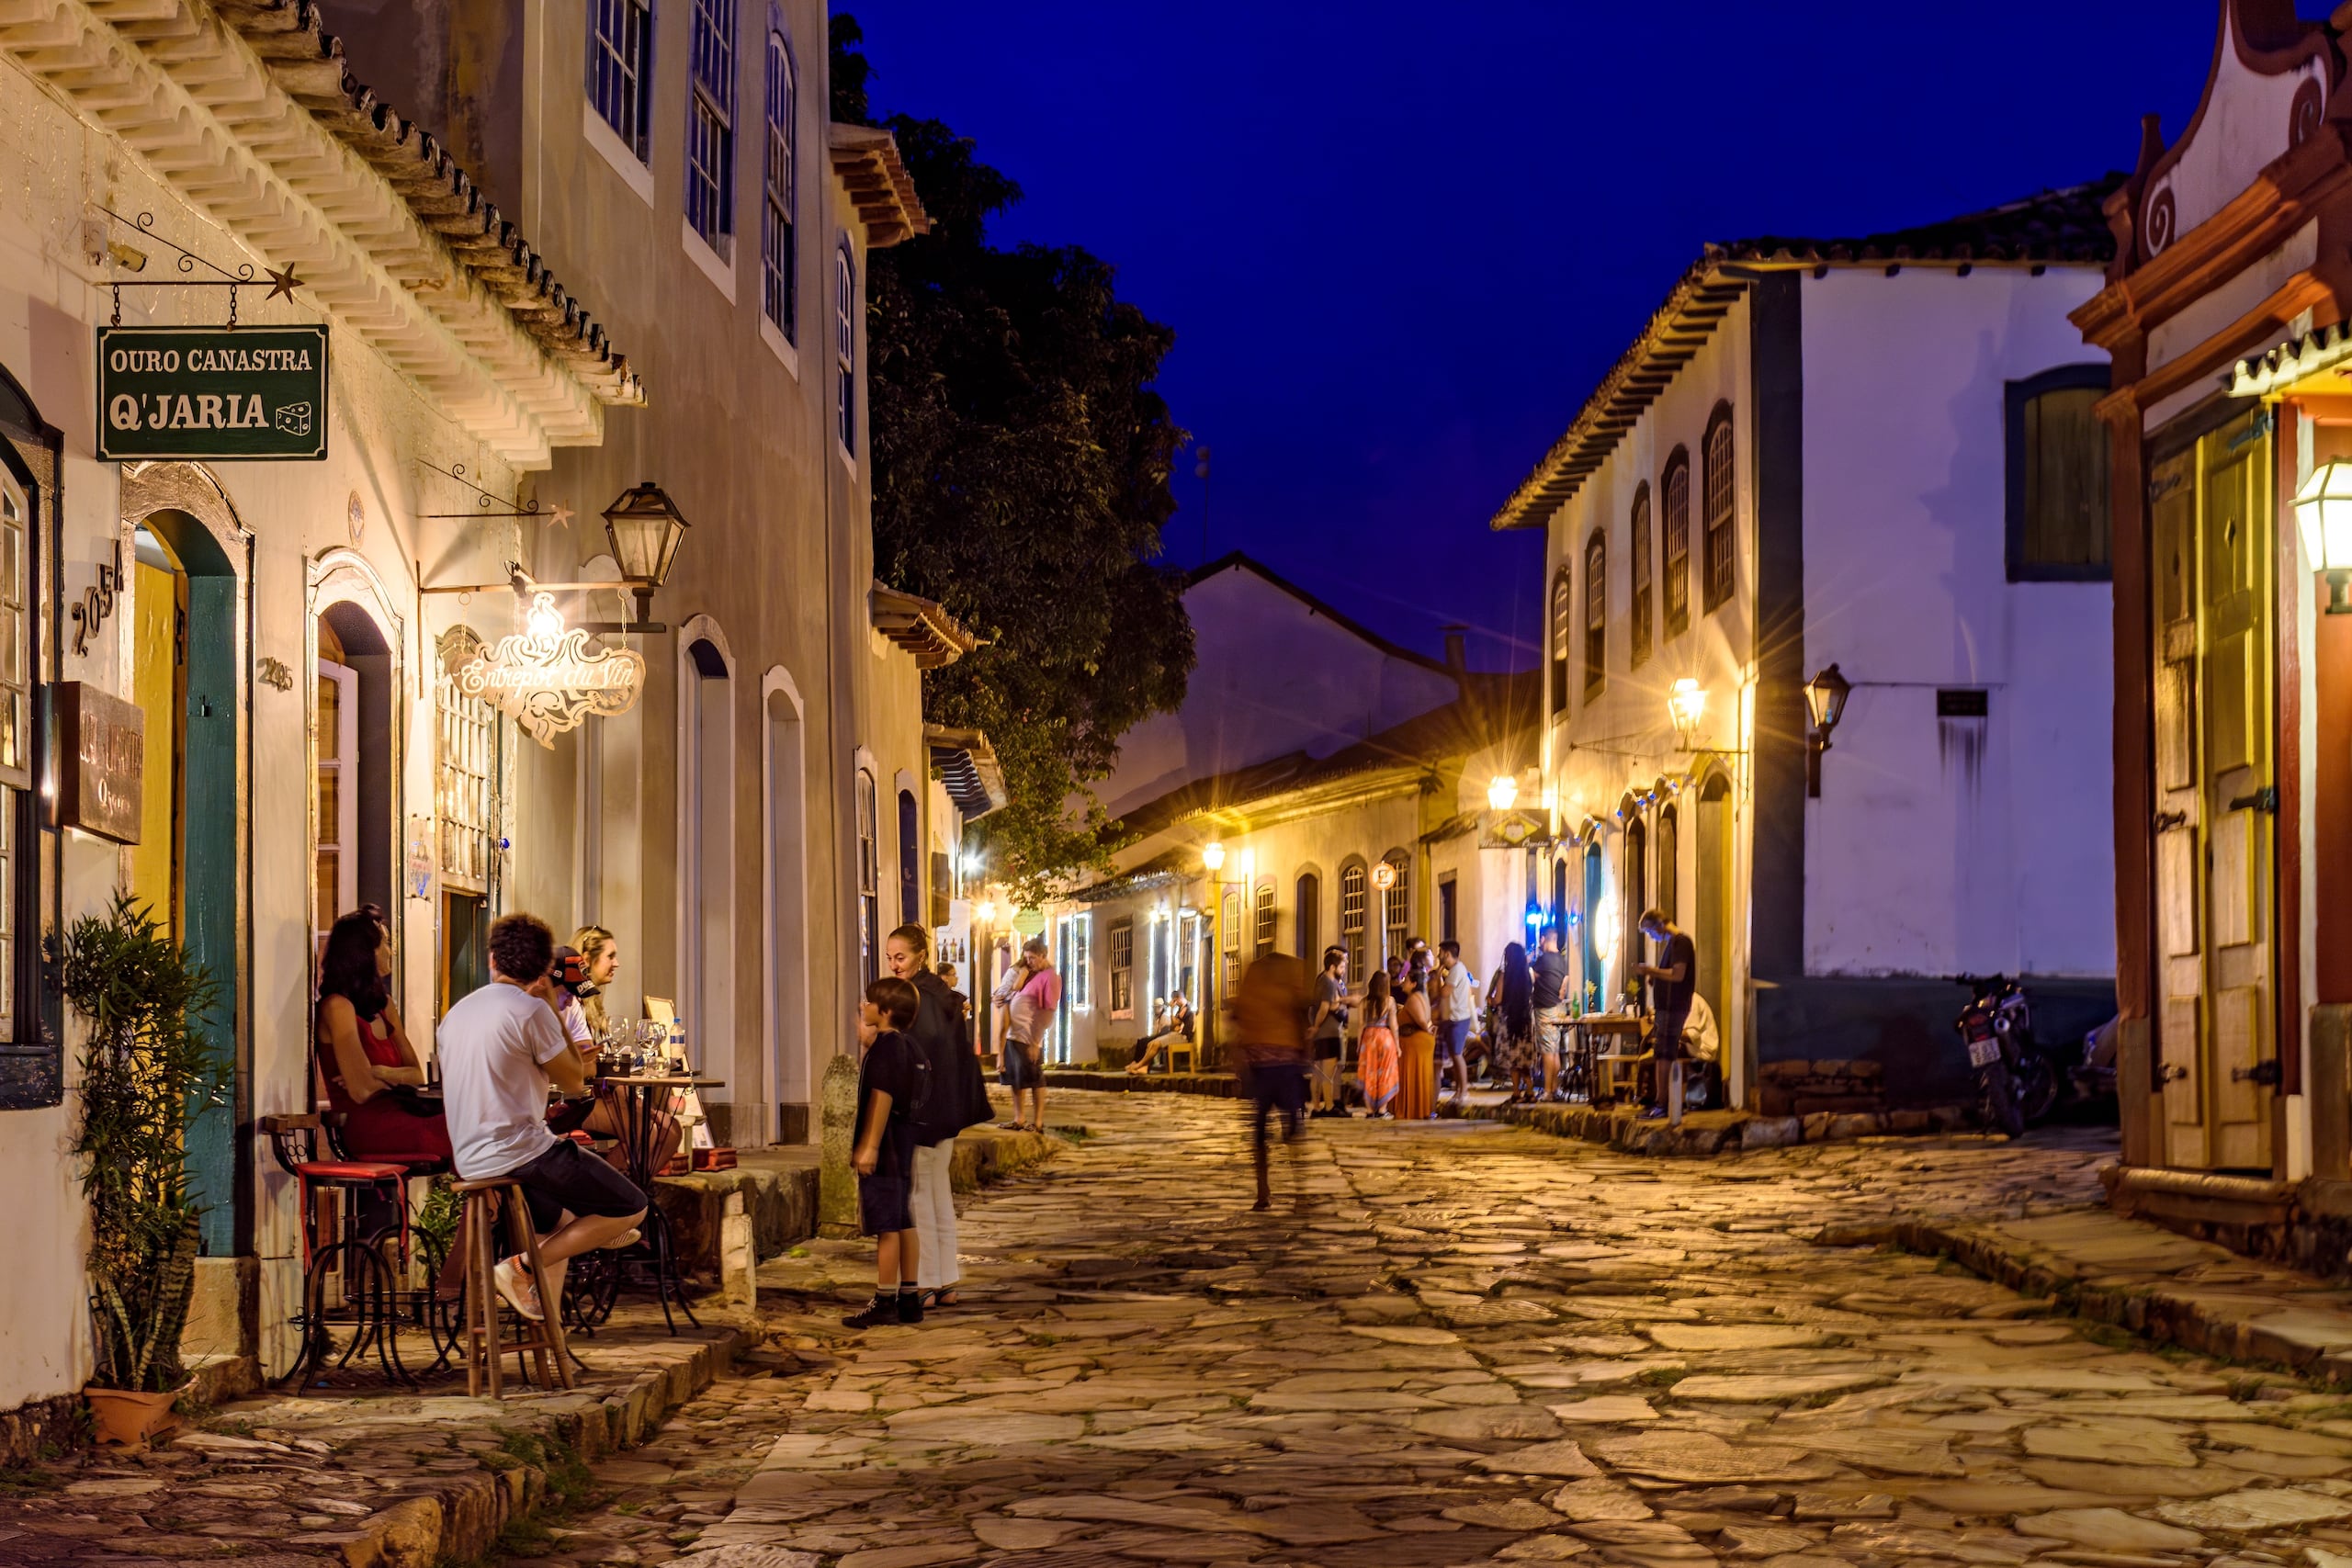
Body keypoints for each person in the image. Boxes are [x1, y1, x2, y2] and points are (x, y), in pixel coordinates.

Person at [438, 914, 646, 1324]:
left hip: (469, 1158)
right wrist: (551, 1009)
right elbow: (573, 1081)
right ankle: (520, 1269)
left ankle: (551, 1326)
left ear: (493, 959)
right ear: (540, 967)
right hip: (521, 1152)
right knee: (633, 1207)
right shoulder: (531, 1010)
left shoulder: (457, 1013)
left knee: (563, 1225)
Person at [886, 924, 991, 1311]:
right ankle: (947, 1280)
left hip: (924, 1110)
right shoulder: (940, 994)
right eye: (890, 958)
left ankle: (925, 1281)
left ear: (920, 956)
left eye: (901, 957)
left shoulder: (918, 998)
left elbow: (918, 1056)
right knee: (938, 1190)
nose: (895, 965)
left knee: (918, 1192)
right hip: (948, 1107)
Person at [315, 906, 452, 1165]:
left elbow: (417, 1075)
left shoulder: (385, 1005)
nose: (391, 951)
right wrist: (391, 1078)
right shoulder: (337, 1007)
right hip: (370, 1127)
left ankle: (491, 1203)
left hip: (404, 1115)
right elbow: (362, 1091)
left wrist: (381, 1072)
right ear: (365, 954)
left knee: (477, 1126)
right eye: (386, 944)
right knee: (470, 1131)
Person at [556, 926, 681, 1174]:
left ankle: (634, 1195)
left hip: (597, 1091)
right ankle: (608, 1198)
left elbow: (592, 1059)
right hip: (572, 1098)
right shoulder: (563, 1004)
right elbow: (584, 1065)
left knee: (672, 1129)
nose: (617, 963)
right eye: (610, 956)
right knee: (647, 1131)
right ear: (588, 960)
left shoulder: (587, 1006)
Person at [843, 976, 928, 1328]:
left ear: (886, 1011)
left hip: (886, 1145)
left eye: (869, 1002)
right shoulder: (908, 1046)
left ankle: (884, 1298)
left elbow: (882, 1095)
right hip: (905, 1141)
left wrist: (869, 1146)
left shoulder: (886, 1049)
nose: (864, 1006)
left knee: (887, 1226)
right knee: (904, 1218)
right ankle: (910, 1295)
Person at [1228, 953, 1311, 1210]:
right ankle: (1300, 1193)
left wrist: (1238, 1059)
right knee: (1292, 1131)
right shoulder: (1290, 975)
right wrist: (1305, 1053)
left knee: (1261, 1133)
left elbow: (1236, 1018)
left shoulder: (1254, 975)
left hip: (1261, 1066)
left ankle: (1263, 1192)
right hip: (1285, 1064)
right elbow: (1301, 1014)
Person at [990, 936, 1059, 1133]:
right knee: (1015, 1078)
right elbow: (1000, 994)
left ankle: (1037, 1122)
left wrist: (1036, 1041)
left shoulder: (1048, 977)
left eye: (1032, 958)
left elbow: (1048, 1010)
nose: (1028, 961)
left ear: (1043, 956)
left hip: (1030, 1035)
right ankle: (1018, 1118)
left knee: (1036, 1078)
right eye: (1026, 957)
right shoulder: (1020, 970)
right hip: (1013, 1032)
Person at [1634, 908, 1698, 1122]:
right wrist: (1656, 978)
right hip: (1666, 1008)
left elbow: (1678, 974)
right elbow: (1668, 974)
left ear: (1659, 924)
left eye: (1651, 932)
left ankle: (1663, 1104)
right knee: (1660, 1053)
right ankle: (1661, 1101)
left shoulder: (1682, 943)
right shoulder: (1672, 944)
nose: (1653, 937)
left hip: (1674, 1007)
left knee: (1665, 1054)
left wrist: (1651, 971)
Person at [1487, 942, 1538, 1104]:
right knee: (1523, 1059)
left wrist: (1491, 1000)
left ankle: (1517, 1091)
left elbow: (1499, 999)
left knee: (1513, 1059)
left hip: (1509, 1020)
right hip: (1525, 1020)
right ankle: (1529, 1090)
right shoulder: (1528, 973)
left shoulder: (1504, 974)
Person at [1432, 940, 1481, 1108]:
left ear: (1447, 954)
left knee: (1457, 1055)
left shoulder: (1456, 970)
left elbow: (1444, 993)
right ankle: (1459, 1090)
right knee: (1455, 1055)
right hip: (1454, 1018)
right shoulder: (1457, 970)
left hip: (1457, 1019)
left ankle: (1464, 1091)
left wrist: (1438, 976)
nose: (1439, 957)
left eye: (1440, 953)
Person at [1531, 927, 1576, 1102]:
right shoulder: (1562, 960)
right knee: (1555, 1050)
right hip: (1558, 1009)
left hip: (1545, 1009)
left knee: (1547, 1052)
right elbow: (1564, 982)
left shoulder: (1543, 960)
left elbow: (1531, 977)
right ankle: (1554, 1088)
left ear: (1543, 939)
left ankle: (1548, 1090)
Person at [1307, 946, 1351, 1117]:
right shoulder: (1328, 982)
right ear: (1332, 967)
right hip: (1328, 1032)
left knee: (1318, 1071)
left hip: (1325, 1032)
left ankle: (1317, 1106)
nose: (1343, 970)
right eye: (1341, 967)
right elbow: (1326, 1007)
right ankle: (1328, 1106)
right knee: (1327, 1071)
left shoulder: (1323, 981)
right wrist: (1316, 1026)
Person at [1356, 969, 1400, 1119]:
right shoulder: (1390, 1001)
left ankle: (1369, 1110)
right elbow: (1394, 1026)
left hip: (1368, 1038)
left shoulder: (1364, 1002)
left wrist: (1358, 1044)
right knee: (1385, 1072)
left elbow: (1361, 1025)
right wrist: (1398, 1045)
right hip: (1385, 1038)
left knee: (1369, 1071)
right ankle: (1382, 1109)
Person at [1396, 970, 1437, 1121]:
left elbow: (1421, 1021)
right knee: (1419, 1077)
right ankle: (1418, 1109)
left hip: (1414, 1043)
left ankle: (1411, 1110)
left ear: (1413, 984)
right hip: (1417, 1042)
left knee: (1413, 1076)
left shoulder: (1414, 998)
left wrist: (1427, 1029)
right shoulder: (1421, 997)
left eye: (1406, 980)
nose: (1403, 982)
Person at [1128, 991, 1195, 1075]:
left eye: (1175, 1001)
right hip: (1176, 1034)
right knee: (1150, 1043)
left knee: (1155, 1044)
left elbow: (1175, 1024)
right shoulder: (1180, 1009)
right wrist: (1175, 1021)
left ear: (1178, 999)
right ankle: (1144, 1067)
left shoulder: (1187, 1009)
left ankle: (1139, 1065)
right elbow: (1174, 1025)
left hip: (1183, 1037)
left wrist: (1172, 1012)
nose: (1175, 1003)